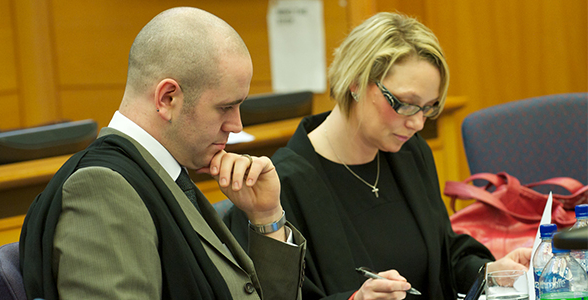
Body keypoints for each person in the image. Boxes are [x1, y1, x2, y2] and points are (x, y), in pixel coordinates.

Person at [226, 12, 531, 300]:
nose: (417, 123)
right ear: (356, 82)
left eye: (428, 108)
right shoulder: (285, 184)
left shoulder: (410, 153)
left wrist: (490, 271)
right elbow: (284, 295)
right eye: (405, 103)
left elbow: (444, 255)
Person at [19, 7, 306, 300]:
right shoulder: (102, 189)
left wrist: (266, 216)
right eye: (225, 107)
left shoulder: (162, 173)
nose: (236, 125)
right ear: (167, 98)